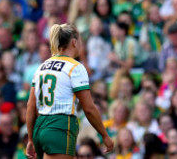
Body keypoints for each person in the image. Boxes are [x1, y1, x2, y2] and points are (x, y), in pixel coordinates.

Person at [25, 24, 114, 159]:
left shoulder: (42, 67)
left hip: (40, 127)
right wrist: (104, 135)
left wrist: (31, 139)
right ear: (74, 42)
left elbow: (30, 106)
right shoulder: (75, 67)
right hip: (60, 125)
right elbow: (89, 108)